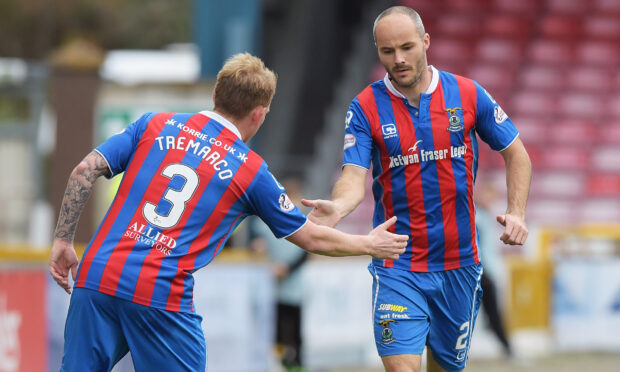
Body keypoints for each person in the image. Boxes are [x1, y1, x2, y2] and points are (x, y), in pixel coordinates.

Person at [49, 53, 408, 372]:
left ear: (215, 96)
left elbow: (84, 170)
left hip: (97, 274)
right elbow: (310, 236)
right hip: (158, 292)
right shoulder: (250, 170)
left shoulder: (154, 124)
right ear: (260, 113)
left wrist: (64, 239)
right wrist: (370, 243)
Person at [302, 6, 532, 372]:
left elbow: (516, 153)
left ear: (426, 42)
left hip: (460, 264)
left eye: (407, 47)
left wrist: (516, 211)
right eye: (387, 51)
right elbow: (352, 175)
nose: (399, 59)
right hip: (399, 263)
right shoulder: (365, 107)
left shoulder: (468, 94)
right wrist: (339, 207)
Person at [249, 177, 308, 371]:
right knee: (275, 327)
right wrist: (257, 245)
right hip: (271, 284)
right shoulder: (267, 217)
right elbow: (256, 238)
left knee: (294, 327)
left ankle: (297, 363)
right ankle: (279, 363)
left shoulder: (303, 220)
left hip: (293, 284)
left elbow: (307, 253)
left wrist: (288, 269)